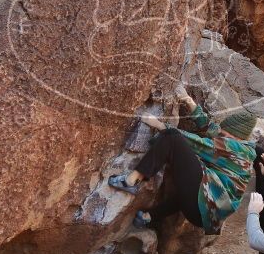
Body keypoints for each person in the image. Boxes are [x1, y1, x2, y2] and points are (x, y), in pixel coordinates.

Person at [109, 87, 256, 235]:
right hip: (204, 215)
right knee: (188, 190)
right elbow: (213, 129)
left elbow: (198, 144)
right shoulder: (243, 149)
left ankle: (130, 181)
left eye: (225, 135)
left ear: (237, 138)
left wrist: (160, 125)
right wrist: (188, 101)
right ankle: (147, 217)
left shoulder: (235, 148)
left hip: (202, 206)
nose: (220, 136)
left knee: (172, 137)